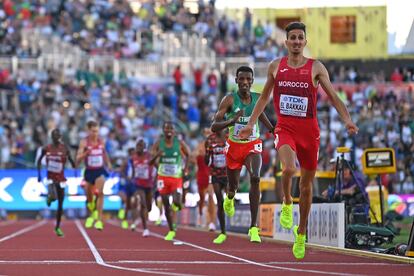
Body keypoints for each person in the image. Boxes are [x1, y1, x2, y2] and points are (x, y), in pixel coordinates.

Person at [239, 22, 358, 259]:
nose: (295, 41)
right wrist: (251, 123)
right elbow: (263, 99)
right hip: (285, 127)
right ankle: (285, 201)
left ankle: (301, 232)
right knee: (289, 168)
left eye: (299, 38)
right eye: (291, 37)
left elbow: (334, 97)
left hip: (309, 132)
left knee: (306, 185)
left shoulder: (316, 67)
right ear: (286, 42)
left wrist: (347, 120)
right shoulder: (276, 66)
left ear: (305, 42)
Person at [211, 65, 274, 243]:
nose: (245, 82)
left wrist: (272, 129)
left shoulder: (258, 98)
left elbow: (260, 115)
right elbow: (213, 127)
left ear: (252, 81)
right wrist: (231, 120)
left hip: (252, 145)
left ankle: (253, 227)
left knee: (255, 177)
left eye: (248, 79)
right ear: (236, 81)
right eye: (242, 79)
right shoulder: (229, 100)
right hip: (233, 148)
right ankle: (229, 197)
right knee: (233, 187)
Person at [151, 122, 190, 241]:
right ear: (163, 130)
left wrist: (185, 168)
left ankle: (175, 208)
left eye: (171, 128)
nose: (169, 130)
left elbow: (188, 154)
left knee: (177, 202)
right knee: (165, 205)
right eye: (166, 128)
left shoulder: (179, 143)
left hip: (176, 178)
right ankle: (171, 230)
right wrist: (157, 157)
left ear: (174, 131)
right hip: (162, 178)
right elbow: (151, 161)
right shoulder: (158, 143)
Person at [37, 129, 76, 237]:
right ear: (51, 137)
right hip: (50, 178)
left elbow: (71, 160)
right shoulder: (46, 148)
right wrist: (39, 175)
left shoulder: (64, 148)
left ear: (60, 136)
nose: (56, 137)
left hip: (61, 179)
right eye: (54, 135)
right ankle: (50, 198)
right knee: (54, 197)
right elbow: (39, 161)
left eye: (57, 135)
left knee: (60, 204)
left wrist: (74, 166)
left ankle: (57, 227)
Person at [76, 120, 112, 230]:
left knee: (100, 193)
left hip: (100, 170)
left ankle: (99, 220)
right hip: (89, 171)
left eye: (97, 131)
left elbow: (104, 153)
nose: (95, 133)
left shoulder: (101, 142)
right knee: (89, 196)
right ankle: (92, 212)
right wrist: (86, 153)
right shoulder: (84, 142)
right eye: (93, 131)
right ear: (88, 131)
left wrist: (108, 163)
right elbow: (77, 159)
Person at [129, 139, 157, 237]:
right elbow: (133, 169)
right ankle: (145, 229)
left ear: (144, 148)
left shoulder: (149, 156)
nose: (138, 148)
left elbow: (156, 166)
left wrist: (155, 179)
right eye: (137, 146)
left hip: (149, 185)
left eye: (141, 146)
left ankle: (144, 217)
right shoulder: (133, 157)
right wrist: (132, 178)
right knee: (143, 203)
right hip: (138, 184)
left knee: (148, 207)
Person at [205, 128, 228, 244]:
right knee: (219, 201)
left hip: (228, 173)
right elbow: (206, 160)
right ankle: (223, 232)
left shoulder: (229, 137)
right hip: (215, 175)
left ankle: (231, 203)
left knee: (230, 197)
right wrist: (207, 154)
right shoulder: (210, 139)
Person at [194, 128, 216, 231]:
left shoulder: (216, 144)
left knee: (211, 195)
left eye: (210, 132)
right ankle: (200, 215)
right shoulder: (200, 146)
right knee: (202, 198)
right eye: (206, 132)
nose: (208, 134)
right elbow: (192, 157)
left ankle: (212, 222)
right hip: (201, 174)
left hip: (211, 173)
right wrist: (197, 154)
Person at [117, 147, 136, 230]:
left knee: (134, 203)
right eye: (132, 154)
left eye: (134, 154)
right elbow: (121, 171)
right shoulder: (126, 162)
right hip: (127, 184)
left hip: (135, 184)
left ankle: (133, 222)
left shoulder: (138, 161)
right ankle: (124, 219)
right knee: (127, 202)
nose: (133, 155)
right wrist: (126, 177)